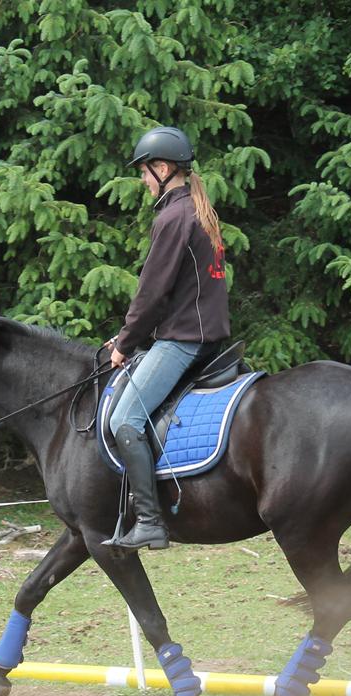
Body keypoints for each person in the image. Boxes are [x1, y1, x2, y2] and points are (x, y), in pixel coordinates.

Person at [103, 126, 230, 550]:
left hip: (184, 341)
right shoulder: (196, 211)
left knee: (124, 419)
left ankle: (150, 522)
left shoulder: (173, 217)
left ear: (162, 168)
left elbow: (152, 294)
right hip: (206, 336)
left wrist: (124, 344)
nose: (142, 180)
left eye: (144, 171)